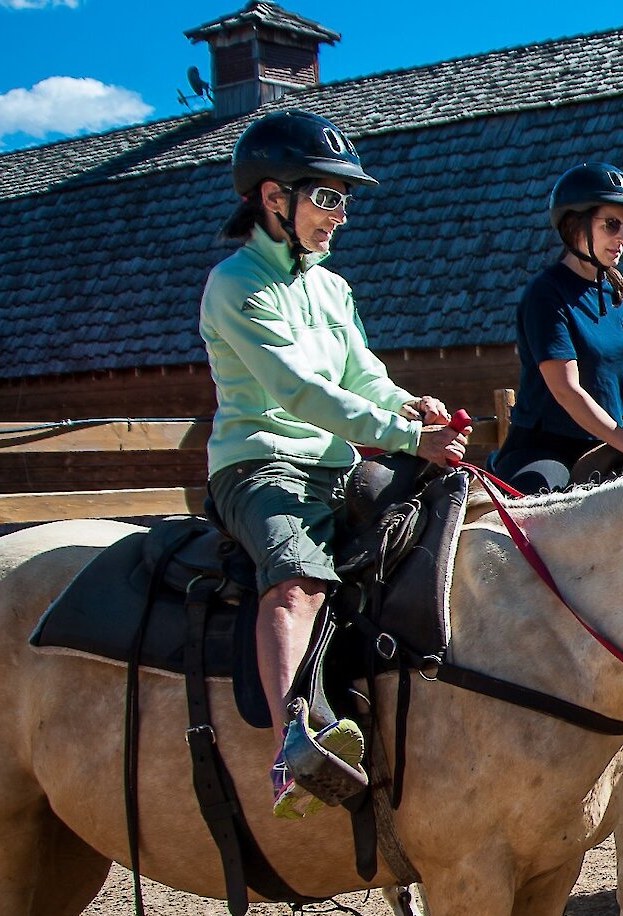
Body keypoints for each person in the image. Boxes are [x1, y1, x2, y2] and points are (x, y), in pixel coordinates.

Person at [200, 108, 467, 819]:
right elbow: (298, 391)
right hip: (261, 465)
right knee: (294, 579)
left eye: (344, 199)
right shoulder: (238, 286)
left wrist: (410, 407)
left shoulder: (331, 287)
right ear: (271, 196)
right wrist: (404, 437)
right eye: (327, 196)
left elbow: (363, 376)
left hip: (335, 461)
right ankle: (295, 740)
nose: (340, 215)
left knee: (432, 527)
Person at [493, 161, 623, 494]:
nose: (622, 237)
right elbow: (566, 389)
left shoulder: (618, 294)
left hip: (606, 444)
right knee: (539, 521)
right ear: (574, 224)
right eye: (611, 224)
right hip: (547, 450)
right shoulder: (546, 294)